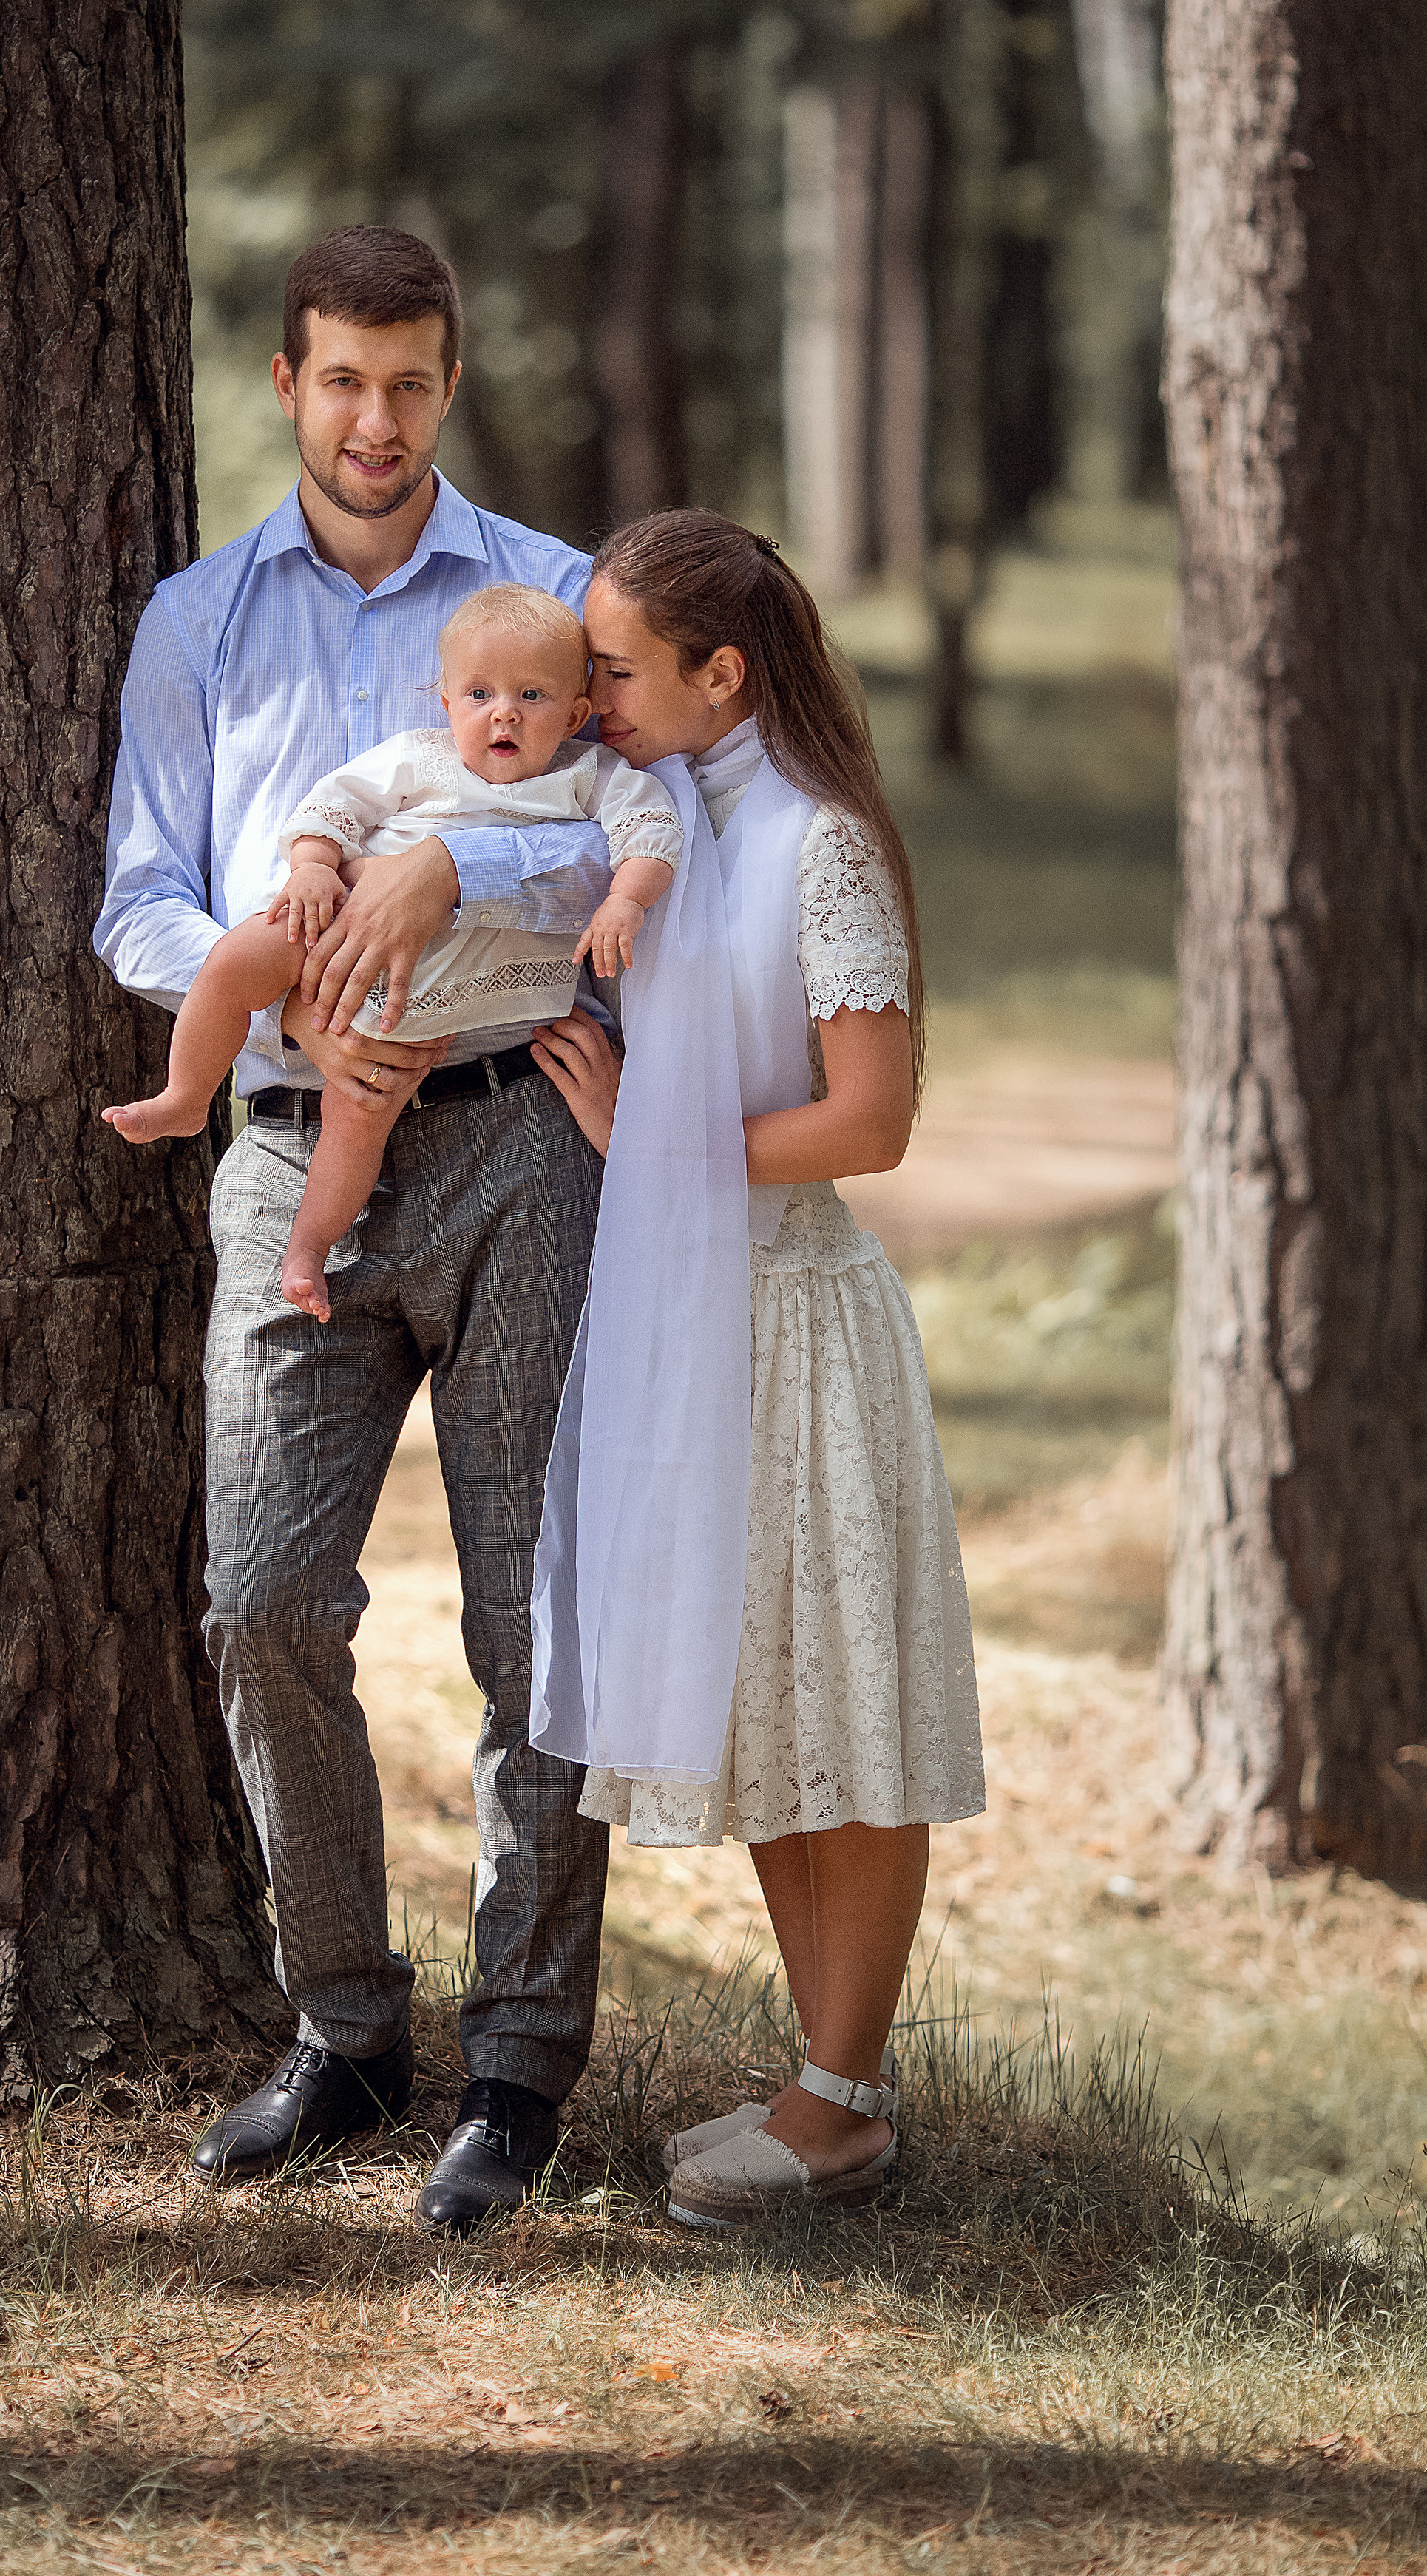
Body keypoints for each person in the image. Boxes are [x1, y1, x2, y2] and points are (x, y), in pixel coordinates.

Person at [94, 224, 622, 2231]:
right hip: (286, 1147)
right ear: (287, 385)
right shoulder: (198, 621)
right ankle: (342, 2027)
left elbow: (637, 833)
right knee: (259, 1598)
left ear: (447, 383)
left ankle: (517, 2065)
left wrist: (456, 877)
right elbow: (138, 892)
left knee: (530, 1619)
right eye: (340, 380)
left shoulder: (555, 597)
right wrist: (279, 990)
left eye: (408, 383)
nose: (374, 420)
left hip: (515, 1144)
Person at [528, 508, 986, 2230]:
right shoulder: (665, 821)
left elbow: (870, 1120)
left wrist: (648, 1134)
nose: (590, 699)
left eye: (614, 670)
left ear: (721, 673)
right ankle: (822, 2080)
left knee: (838, 1708)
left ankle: (842, 2101)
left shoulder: (815, 840)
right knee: (768, 1708)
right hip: (690, 1321)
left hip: (796, 1321)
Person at [101, 582, 680, 1322]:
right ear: (447, 704)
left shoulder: (590, 776)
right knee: (234, 962)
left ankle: (307, 1248)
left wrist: (627, 899)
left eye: (531, 695)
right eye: (479, 694)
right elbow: (332, 806)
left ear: (574, 714)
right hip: (336, 933)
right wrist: (313, 866)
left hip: (434, 1018)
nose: (503, 712)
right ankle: (186, 1097)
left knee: (357, 1118)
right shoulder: (420, 760)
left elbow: (651, 831)